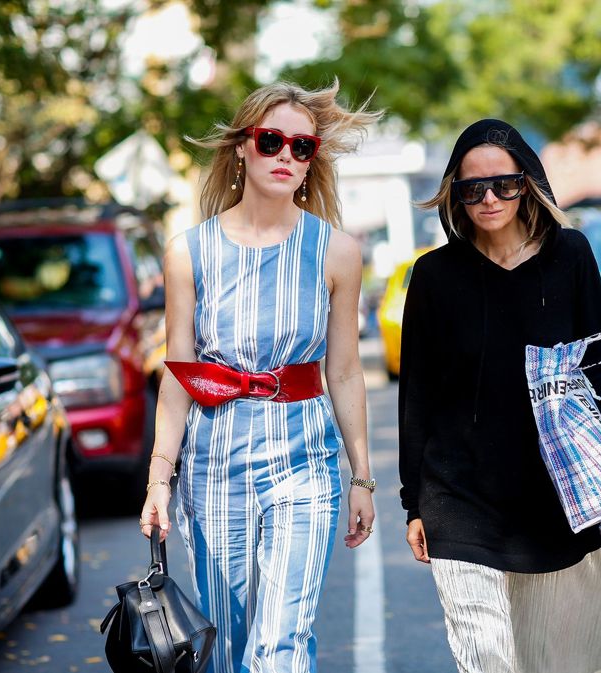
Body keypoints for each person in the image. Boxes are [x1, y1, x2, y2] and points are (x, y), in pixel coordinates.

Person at [140, 79, 382, 673]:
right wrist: (158, 479)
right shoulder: (188, 252)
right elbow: (180, 374)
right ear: (242, 147)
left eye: (303, 147)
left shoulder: (336, 252)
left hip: (304, 467)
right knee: (226, 648)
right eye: (272, 141)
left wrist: (363, 478)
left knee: (280, 646)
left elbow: (345, 373)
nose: (286, 157)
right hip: (213, 469)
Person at [398, 119, 601, 673]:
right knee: (487, 662)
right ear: (455, 195)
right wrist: (413, 501)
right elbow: (417, 397)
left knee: (563, 659)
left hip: (555, 500)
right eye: (472, 189)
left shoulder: (570, 256)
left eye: (503, 185)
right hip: (458, 502)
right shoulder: (434, 276)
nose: (488, 198)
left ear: (527, 183)